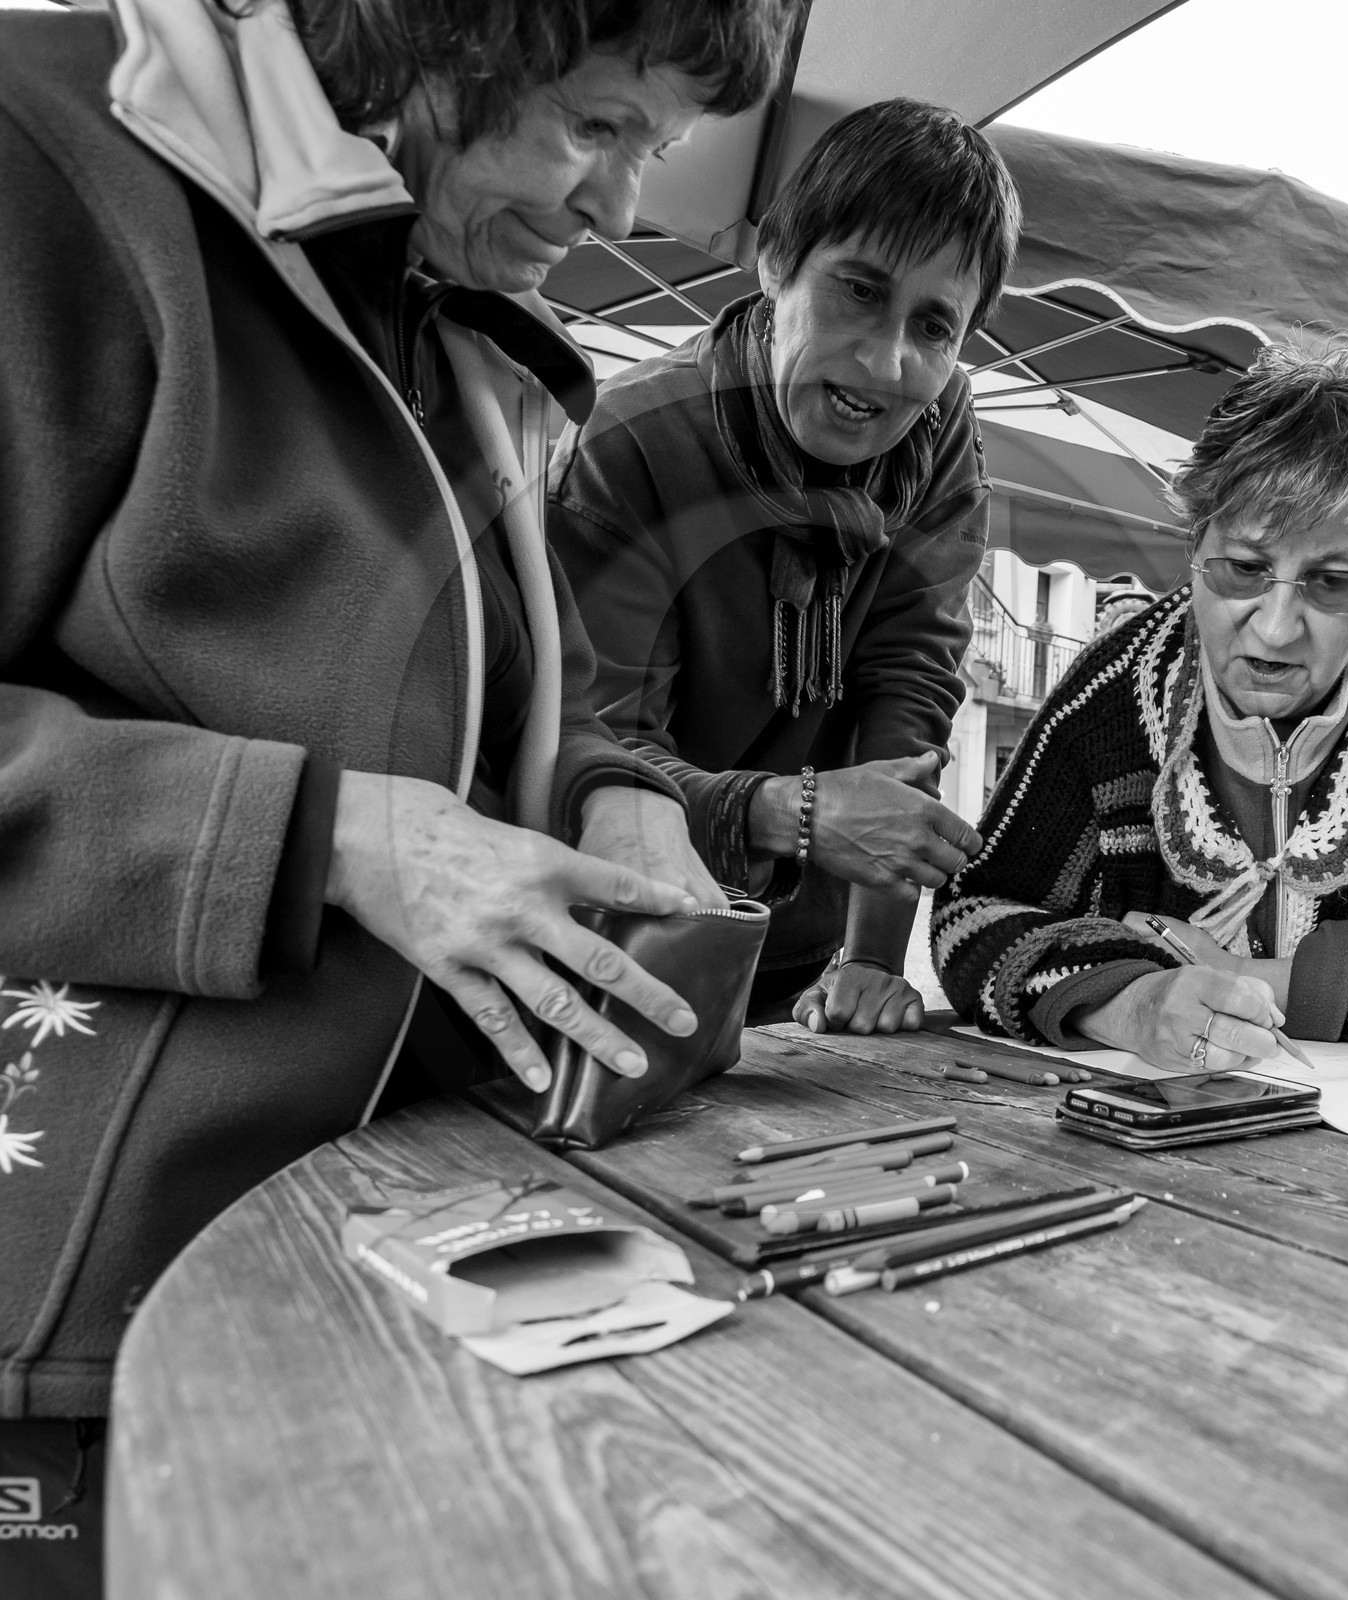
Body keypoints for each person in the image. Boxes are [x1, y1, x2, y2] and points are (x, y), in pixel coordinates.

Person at [0, 0, 797, 1552]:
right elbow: (371, 809)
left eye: (654, 149)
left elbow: (509, 706)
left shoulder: (445, 306)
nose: (619, 208)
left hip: (388, 1248)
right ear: (436, 35)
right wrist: (331, 838)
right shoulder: (45, 154)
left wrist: (615, 790)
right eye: (594, 126)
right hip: (78, 1323)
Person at [934, 331, 1348, 1067]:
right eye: (1244, 568)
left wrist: (1247, 978)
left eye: (1333, 581)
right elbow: (972, 919)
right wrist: (1126, 1004)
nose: (1275, 629)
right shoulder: (1110, 693)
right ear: (1194, 542)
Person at [548, 99, 1021, 1034]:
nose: (886, 362)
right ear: (775, 261)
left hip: (803, 954)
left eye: (935, 326)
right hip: (621, 939)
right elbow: (590, 758)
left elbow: (910, 683)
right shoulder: (627, 442)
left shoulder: (939, 428)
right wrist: (798, 815)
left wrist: (872, 962)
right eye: (859, 291)